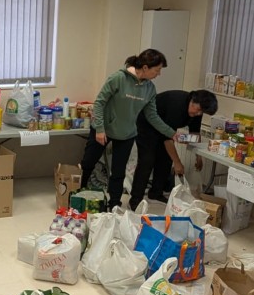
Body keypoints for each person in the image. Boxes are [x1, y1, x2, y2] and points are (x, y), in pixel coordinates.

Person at [80, 49, 176, 210]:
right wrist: (99, 129)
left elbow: (152, 116)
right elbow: (99, 103)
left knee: (118, 172)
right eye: (157, 70)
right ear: (145, 67)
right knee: (88, 162)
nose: (158, 74)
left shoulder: (149, 89)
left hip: (127, 134)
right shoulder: (118, 79)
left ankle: (114, 203)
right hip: (103, 129)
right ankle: (78, 192)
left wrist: (172, 133)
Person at [128, 89, 219, 210]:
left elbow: (195, 134)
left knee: (165, 159)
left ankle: (156, 192)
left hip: (165, 128)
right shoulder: (177, 105)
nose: (198, 114)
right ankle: (135, 200)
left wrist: (198, 156)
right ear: (192, 100)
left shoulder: (197, 112)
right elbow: (167, 139)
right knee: (147, 160)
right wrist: (177, 162)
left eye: (201, 112)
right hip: (146, 125)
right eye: (197, 110)